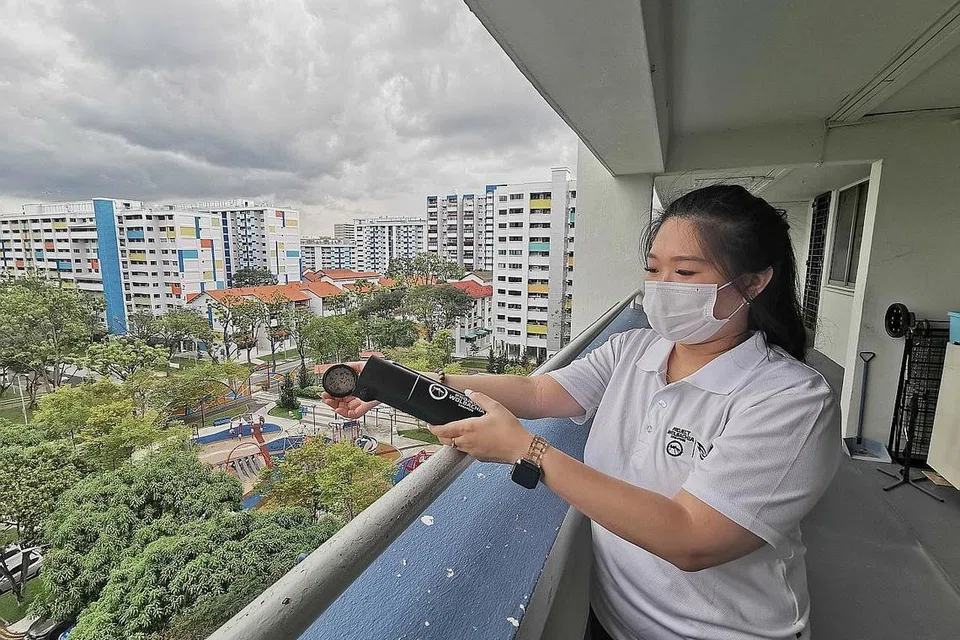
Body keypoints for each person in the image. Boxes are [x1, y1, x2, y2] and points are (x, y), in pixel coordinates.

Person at [323, 185, 840, 640]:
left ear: (753, 283)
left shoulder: (788, 399)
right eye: (653, 269)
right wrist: (394, 383)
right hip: (614, 618)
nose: (661, 287)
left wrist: (527, 451)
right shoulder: (635, 349)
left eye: (685, 272)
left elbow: (692, 538)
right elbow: (539, 390)